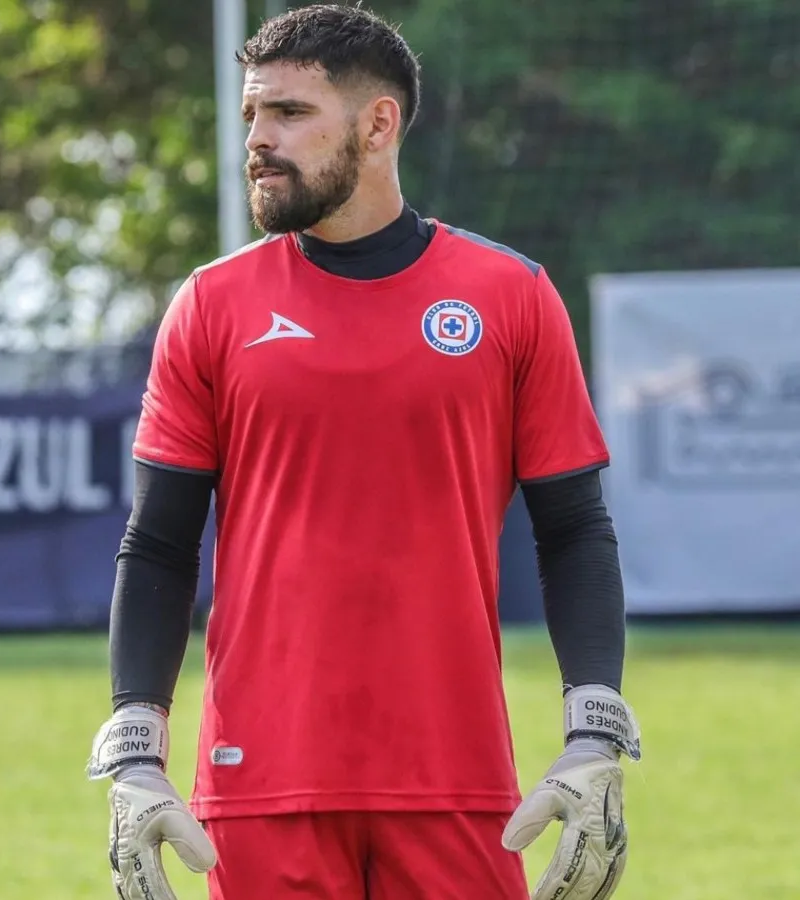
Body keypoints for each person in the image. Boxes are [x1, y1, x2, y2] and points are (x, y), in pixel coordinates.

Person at [88, 5, 641, 900]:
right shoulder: (210, 306)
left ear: (379, 124)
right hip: (259, 783)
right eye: (251, 117)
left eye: (290, 114)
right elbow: (156, 543)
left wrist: (594, 735)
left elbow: (575, 530)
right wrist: (136, 753)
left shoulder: (513, 296)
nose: (259, 140)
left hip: (459, 783)